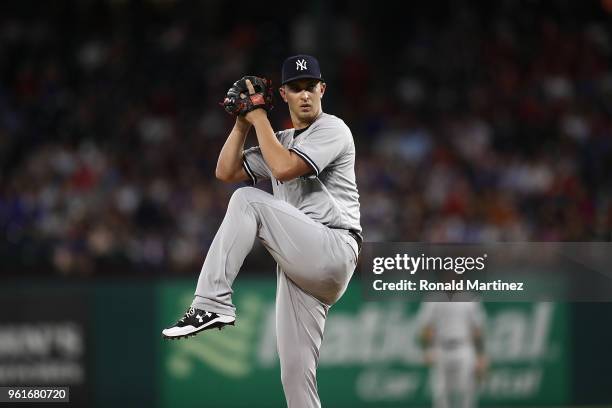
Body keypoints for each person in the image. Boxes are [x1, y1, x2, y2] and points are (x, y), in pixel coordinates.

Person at [162, 54, 362, 408]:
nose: (304, 95)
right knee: (295, 375)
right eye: (295, 88)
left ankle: (212, 303)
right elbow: (225, 171)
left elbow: (283, 169)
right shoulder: (278, 137)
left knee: (248, 201)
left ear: (322, 89)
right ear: (283, 94)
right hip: (301, 264)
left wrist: (258, 117)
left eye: (310, 87)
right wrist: (242, 123)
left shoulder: (333, 129)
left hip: (333, 246)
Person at [417, 298, 488, 408]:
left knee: (467, 392)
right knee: (440, 393)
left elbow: (477, 329)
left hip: (464, 347)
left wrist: (481, 356)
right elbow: (426, 326)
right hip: (441, 348)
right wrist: (426, 349)